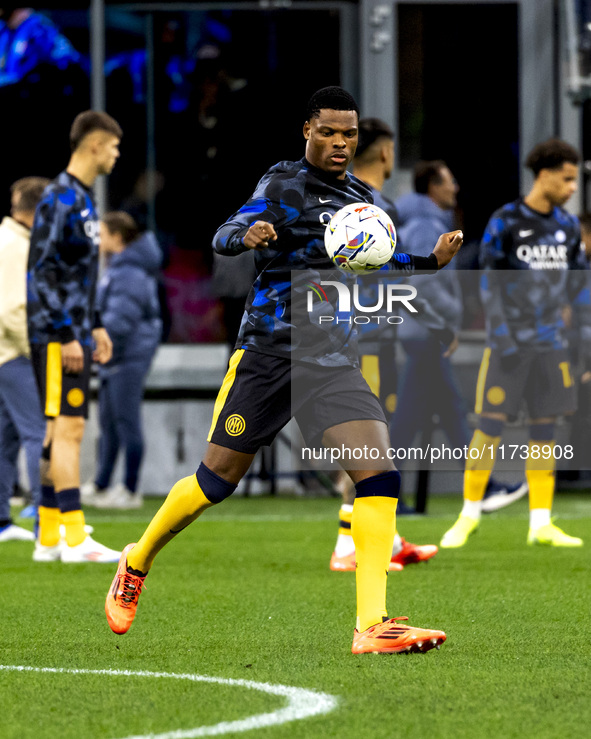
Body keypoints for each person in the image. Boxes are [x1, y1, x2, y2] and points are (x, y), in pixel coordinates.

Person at [105, 86, 462, 654]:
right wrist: (245, 236)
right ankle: (137, 559)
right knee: (213, 483)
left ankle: (373, 625)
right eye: (329, 132)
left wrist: (426, 262)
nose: (341, 142)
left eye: (349, 134)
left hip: (331, 361)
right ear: (308, 131)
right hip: (270, 354)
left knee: (378, 473)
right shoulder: (282, 184)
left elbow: (374, 257)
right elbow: (223, 233)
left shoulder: (361, 199)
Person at [441, 138, 589, 549]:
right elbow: (487, 283)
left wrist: (580, 340)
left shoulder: (568, 227)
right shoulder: (505, 220)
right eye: (567, 178)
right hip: (508, 346)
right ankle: (468, 515)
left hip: (552, 346)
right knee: (489, 427)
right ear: (544, 175)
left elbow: (579, 288)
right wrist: (502, 335)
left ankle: (540, 522)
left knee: (545, 431)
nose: (573, 187)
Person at [330, 119, 438, 572]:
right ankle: (347, 546)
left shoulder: (370, 202)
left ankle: (387, 537)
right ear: (387, 153)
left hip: (378, 334)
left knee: (379, 440)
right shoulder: (359, 204)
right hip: (363, 338)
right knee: (365, 442)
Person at [394, 160, 527, 513]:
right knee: (419, 419)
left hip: (422, 332)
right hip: (426, 332)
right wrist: (449, 318)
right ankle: (381, 492)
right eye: (450, 181)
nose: (455, 188)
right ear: (433, 187)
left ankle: (479, 486)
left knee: (439, 415)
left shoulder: (426, 221)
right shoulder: (426, 226)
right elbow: (422, 282)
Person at [27, 110, 123, 563]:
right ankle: (73, 536)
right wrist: (66, 333)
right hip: (55, 335)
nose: (117, 154)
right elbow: (41, 272)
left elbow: (78, 275)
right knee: (70, 429)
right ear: (93, 146)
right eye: (114, 146)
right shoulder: (57, 197)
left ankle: (47, 537)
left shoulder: (83, 199)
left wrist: (97, 322)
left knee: (57, 431)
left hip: (76, 330)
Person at [81, 211, 162, 509]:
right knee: (109, 423)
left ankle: (130, 490)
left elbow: (120, 320)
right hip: (115, 356)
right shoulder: (119, 267)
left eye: (102, 233)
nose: (98, 239)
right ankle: (102, 486)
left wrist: (93, 345)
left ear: (117, 236)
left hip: (127, 356)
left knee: (126, 422)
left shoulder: (129, 271)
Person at [0, 176, 49, 543]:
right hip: (15, 352)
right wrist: (35, 352)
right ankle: (46, 524)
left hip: (4, 352)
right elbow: (13, 308)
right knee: (38, 434)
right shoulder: (16, 246)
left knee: (6, 438)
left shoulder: (11, 240)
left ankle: (2, 520)